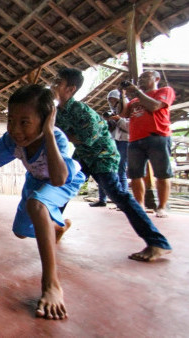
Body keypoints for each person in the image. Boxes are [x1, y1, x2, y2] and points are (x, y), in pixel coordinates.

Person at [0, 84, 85, 320]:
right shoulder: (12, 140)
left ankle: (51, 284)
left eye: (24, 122)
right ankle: (59, 226)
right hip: (35, 181)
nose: (15, 129)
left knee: (37, 205)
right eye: (11, 120)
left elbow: (59, 178)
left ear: (45, 120)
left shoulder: (57, 139)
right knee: (21, 232)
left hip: (64, 181)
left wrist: (48, 133)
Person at [52, 67, 172, 261]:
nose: (53, 85)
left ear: (70, 89)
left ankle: (158, 242)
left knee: (118, 195)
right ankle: (56, 225)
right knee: (61, 187)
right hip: (84, 155)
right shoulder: (58, 111)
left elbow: (86, 138)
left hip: (102, 155)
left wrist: (53, 134)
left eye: (58, 82)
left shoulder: (81, 110)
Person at [119, 70, 175, 218]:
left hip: (157, 136)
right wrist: (122, 94)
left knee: (162, 173)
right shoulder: (134, 101)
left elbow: (155, 106)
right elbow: (123, 113)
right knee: (135, 174)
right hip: (135, 139)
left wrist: (136, 91)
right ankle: (140, 205)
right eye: (140, 78)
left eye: (145, 77)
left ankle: (162, 207)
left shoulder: (164, 91)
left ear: (156, 78)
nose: (141, 80)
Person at [90, 89, 130, 207]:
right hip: (112, 143)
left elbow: (130, 128)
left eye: (114, 100)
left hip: (124, 142)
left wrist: (118, 119)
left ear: (119, 100)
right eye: (110, 101)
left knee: (121, 171)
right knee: (104, 169)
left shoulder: (128, 110)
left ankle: (124, 201)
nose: (112, 103)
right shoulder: (112, 112)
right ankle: (102, 199)